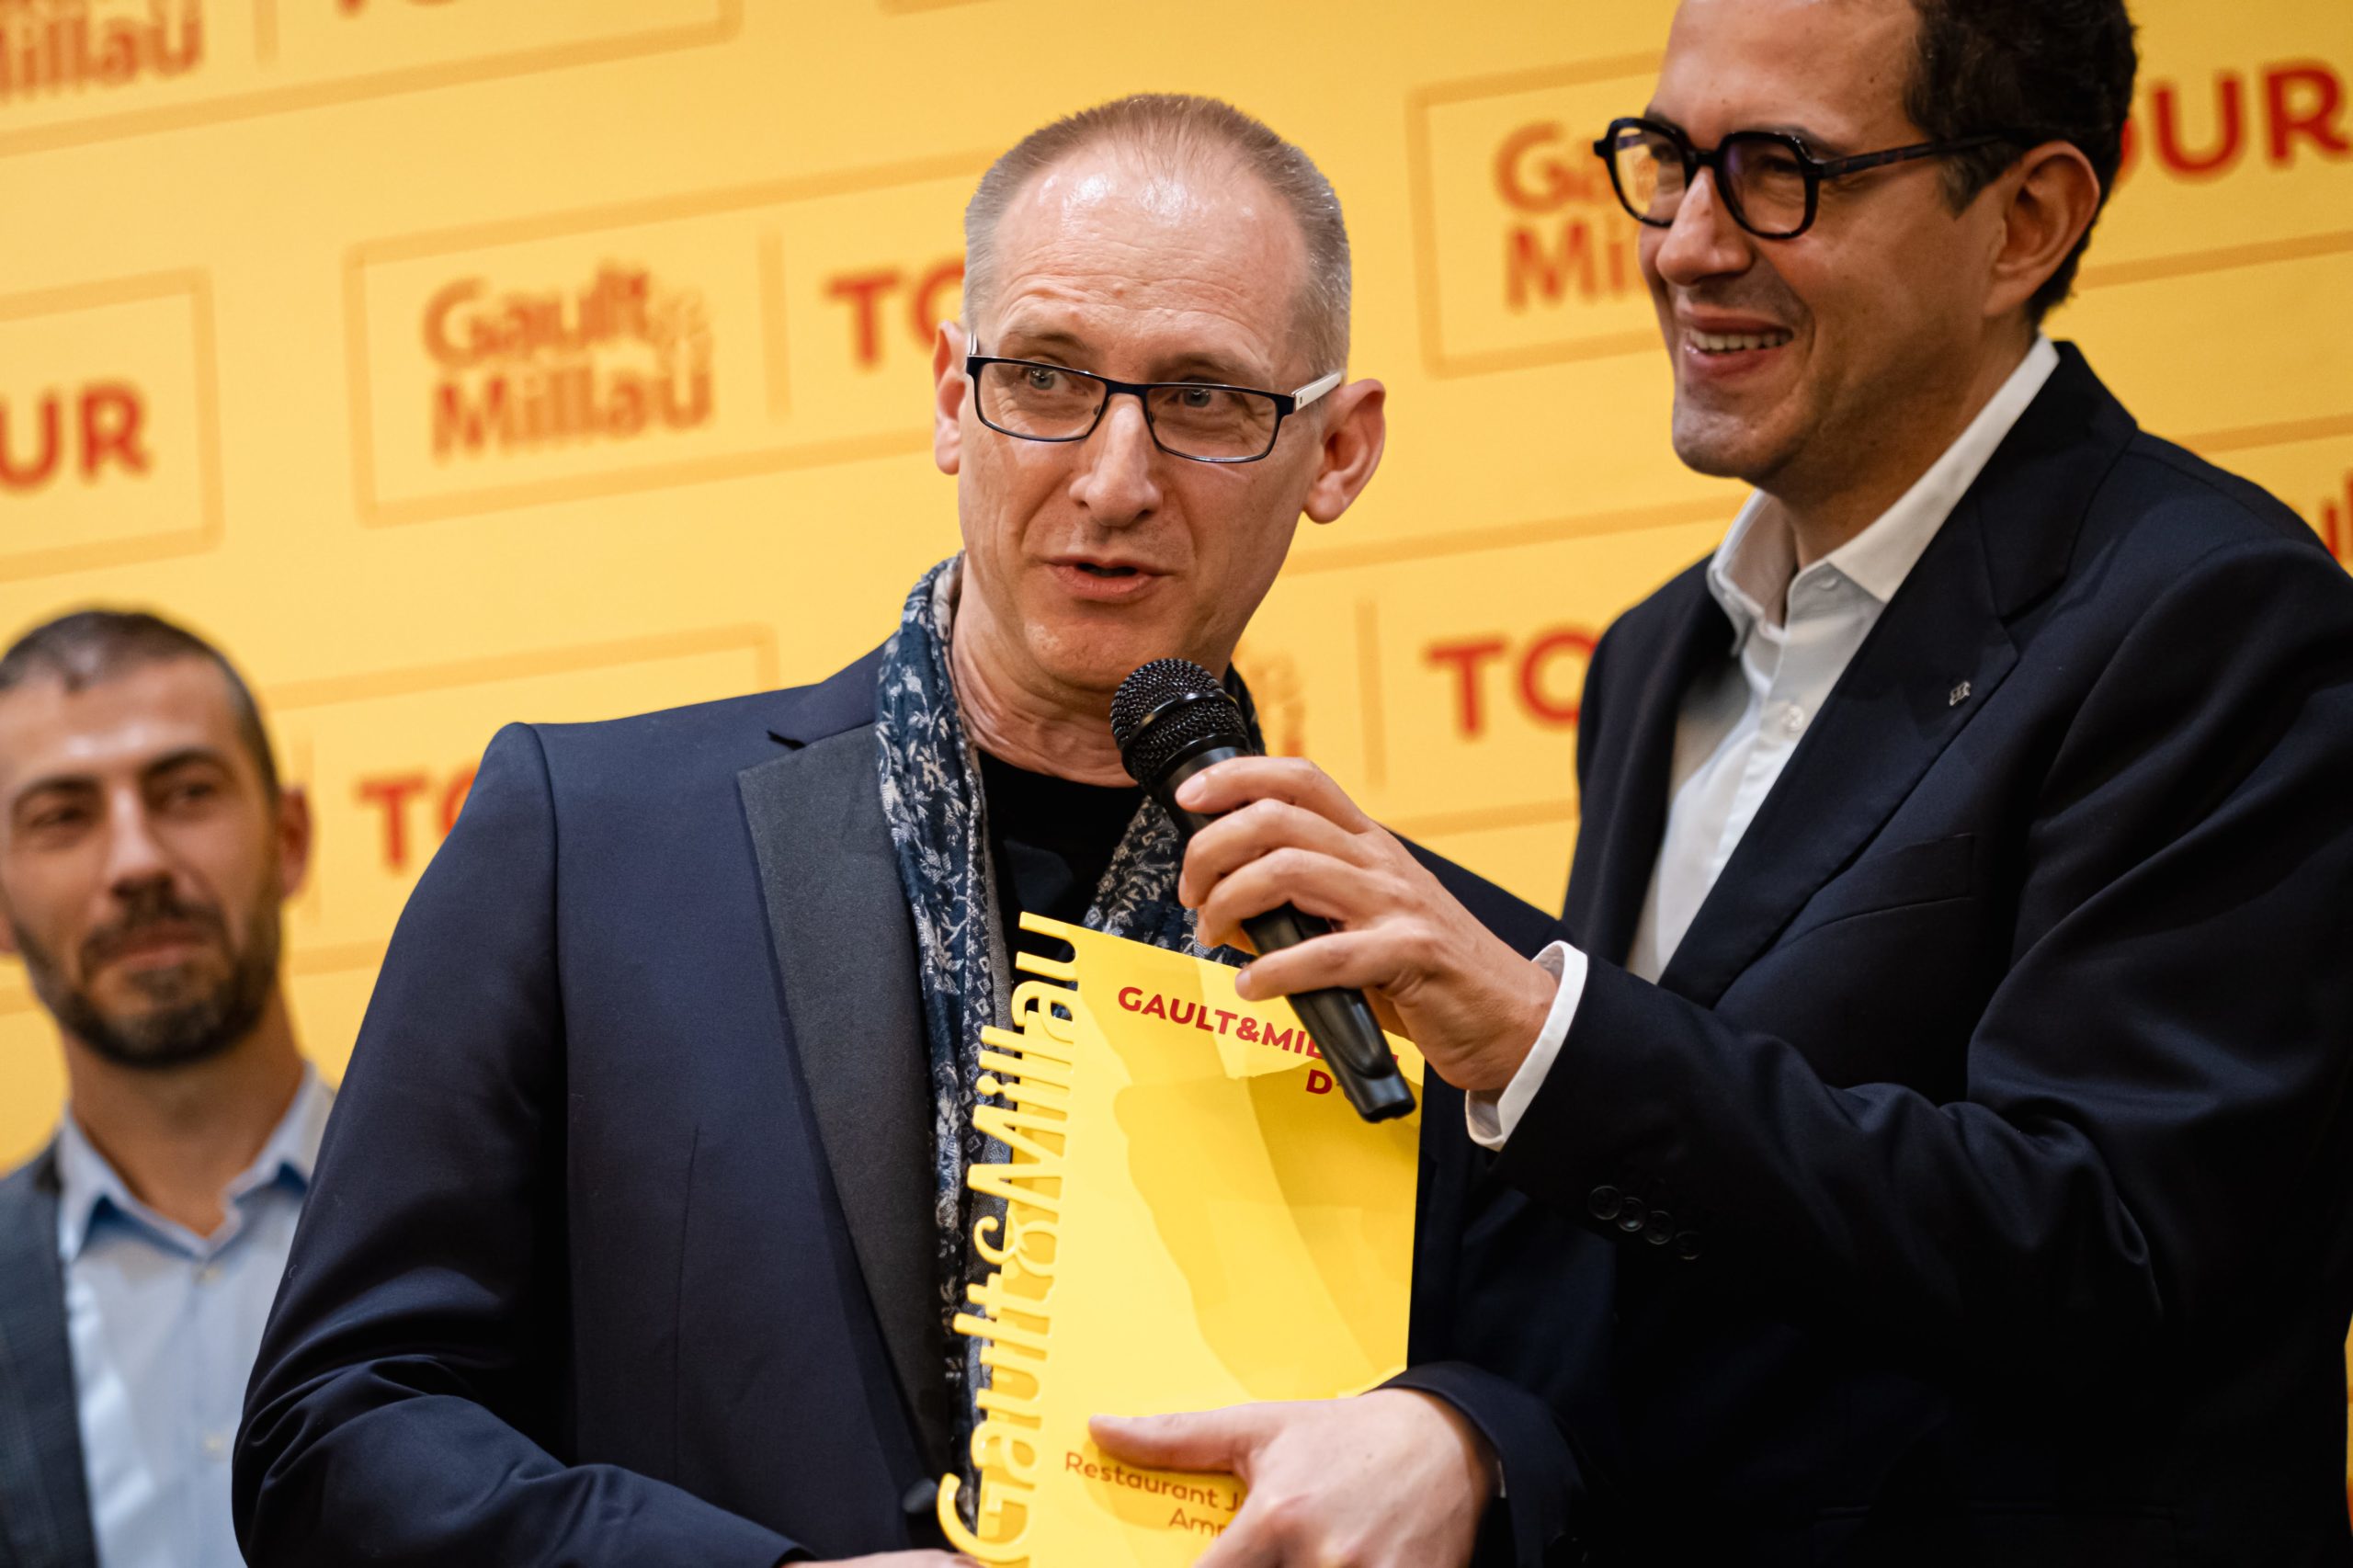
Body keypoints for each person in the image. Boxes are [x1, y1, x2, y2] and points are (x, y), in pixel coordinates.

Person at [233, 94, 1589, 1568]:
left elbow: (1620, 1445)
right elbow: (336, 1430)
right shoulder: (589, 847)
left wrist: (1471, 1444)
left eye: (1205, 398)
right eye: (1047, 377)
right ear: (952, 395)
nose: (1112, 478)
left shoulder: (1456, 991)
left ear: (1337, 450)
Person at [1104, 0, 2353, 1562]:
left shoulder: (2218, 615)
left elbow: (2110, 1252)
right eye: (1669, 158)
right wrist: (1464, 1425)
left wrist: (1536, 1030)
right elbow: (1679, 1253)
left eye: (1779, 172)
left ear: (2024, 220)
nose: (1688, 243)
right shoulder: (1654, 657)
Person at [0, 610, 330, 1568]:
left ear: (290, 838)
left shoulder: (497, 1229)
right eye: (63, 816)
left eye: (187, 793)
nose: (137, 861)